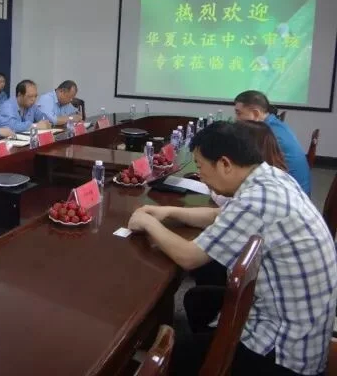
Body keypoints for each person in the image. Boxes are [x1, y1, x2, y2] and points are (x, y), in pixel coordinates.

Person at [128, 122, 337, 376]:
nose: (200, 175)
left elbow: (189, 257)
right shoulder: (270, 178)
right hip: (301, 328)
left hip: (284, 352)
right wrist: (169, 212)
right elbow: (222, 215)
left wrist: (148, 223)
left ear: (225, 164)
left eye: (201, 167)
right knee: (197, 300)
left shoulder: (256, 200)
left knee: (176, 358)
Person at [234, 90, 310, 195]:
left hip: (291, 194)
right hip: (295, 190)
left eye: (239, 113)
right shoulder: (274, 124)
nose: (236, 119)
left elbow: (250, 170)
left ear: (255, 114)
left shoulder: (268, 134)